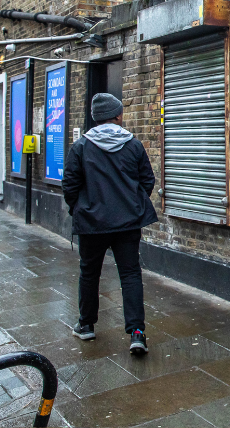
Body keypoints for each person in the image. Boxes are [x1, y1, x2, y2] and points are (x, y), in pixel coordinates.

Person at [62, 93, 157, 354]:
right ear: (116, 116)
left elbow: (70, 186)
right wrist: (132, 205)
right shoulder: (133, 145)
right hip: (127, 223)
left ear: (95, 118)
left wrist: (80, 208)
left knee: (89, 273)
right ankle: (137, 333)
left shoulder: (81, 147)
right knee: (130, 274)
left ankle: (86, 325)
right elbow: (147, 181)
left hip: (92, 224)